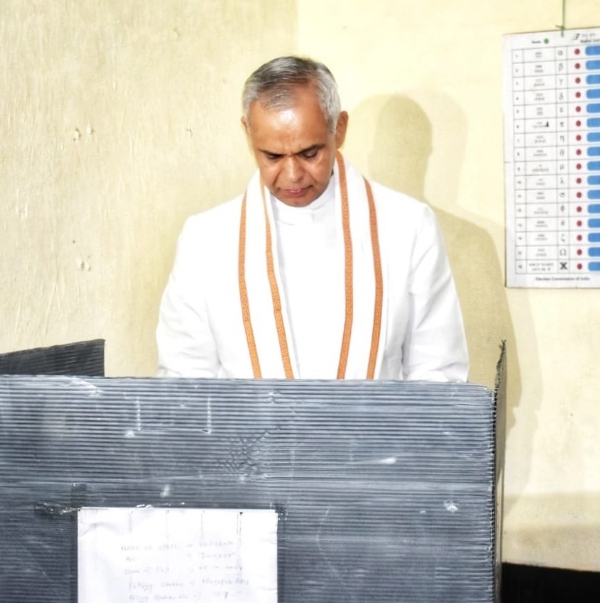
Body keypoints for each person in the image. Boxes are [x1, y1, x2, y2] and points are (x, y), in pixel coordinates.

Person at [156, 56, 469, 381]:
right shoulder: (206, 239)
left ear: (340, 128)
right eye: (272, 156)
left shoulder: (408, 226)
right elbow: (184, 378)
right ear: (247, 134)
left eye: (309, 154)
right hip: (246, 433)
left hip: (373, 432)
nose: (292, 175)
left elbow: (438, 372)